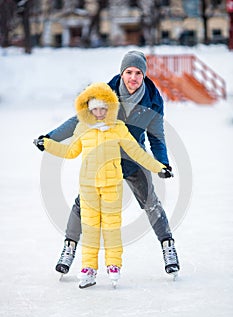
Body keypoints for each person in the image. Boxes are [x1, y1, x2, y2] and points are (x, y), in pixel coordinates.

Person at [34, 50, 180, 278]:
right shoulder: (105, 92)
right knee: (82, 204)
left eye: (138, 73)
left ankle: (168, 246)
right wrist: (52, 137)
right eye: (129, 72)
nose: (133, 77)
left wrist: (162, 163)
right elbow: (78, 120)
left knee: (150, 202)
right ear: (122, 73)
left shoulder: (153, 100)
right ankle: (69, 247)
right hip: (103, 160)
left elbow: (157, 135)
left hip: (132, 158)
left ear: (144, 75)